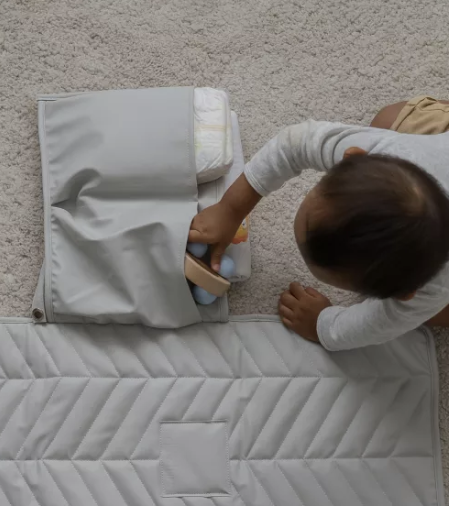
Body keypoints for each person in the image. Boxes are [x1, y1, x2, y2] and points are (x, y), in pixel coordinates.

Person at [189, 96, 449, 350]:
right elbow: (295, 144)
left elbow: (376, 324)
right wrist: (231, 208)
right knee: (389, 117)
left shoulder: (433, 288)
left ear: (404, 294)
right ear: (352, 158)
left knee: (435, 315)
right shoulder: (382, 150)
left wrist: (322, 325)